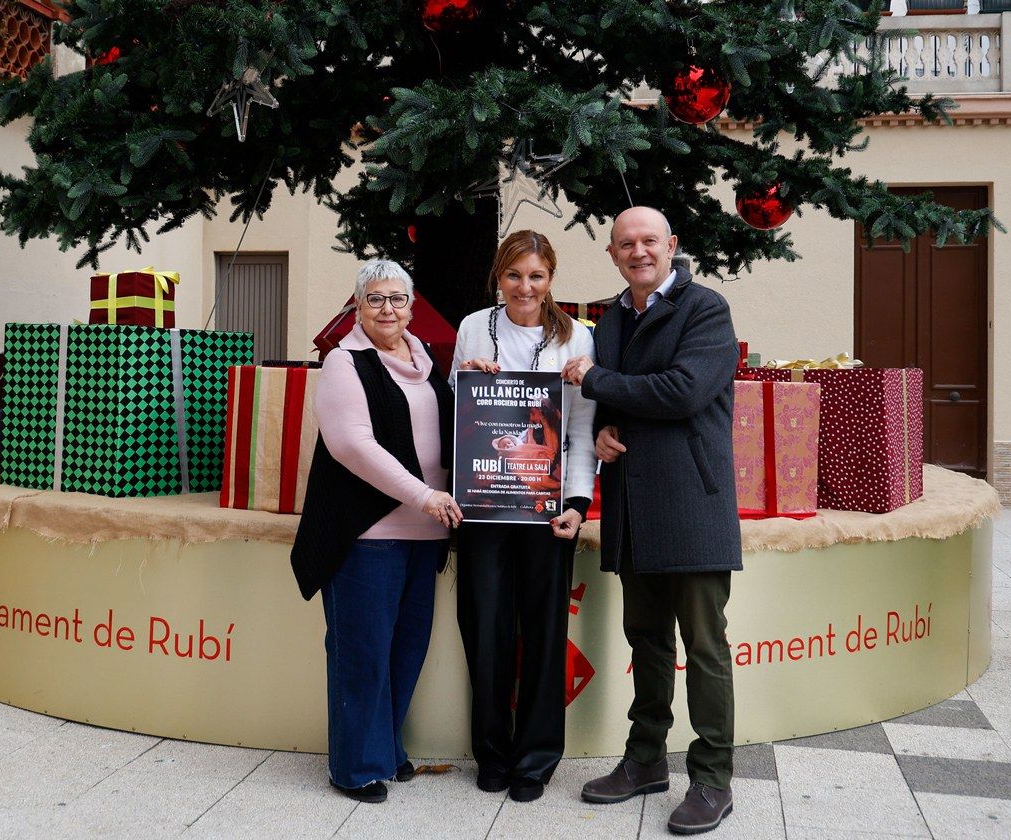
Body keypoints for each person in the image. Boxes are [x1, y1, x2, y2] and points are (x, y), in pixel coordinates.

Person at [561, 207, 741, 836]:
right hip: (633, 507)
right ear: (613, 254)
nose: (638, 252)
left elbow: (684, 390)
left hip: (692, 504)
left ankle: (713, 779)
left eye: (648, 241)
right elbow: (613, 399)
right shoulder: (611, 319)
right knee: (647, 640)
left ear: (671, 245)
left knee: (705, 647)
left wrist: (599, 382)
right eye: (625, 244)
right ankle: (644, 762)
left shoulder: (705, 309)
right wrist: (607, 423)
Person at [290, 259, 463, 804]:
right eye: (376, 299)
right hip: (367, 533)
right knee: (362, 653)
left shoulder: (426, 358)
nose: (388, 309)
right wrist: (424, 495)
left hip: (426, 534)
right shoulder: (346, 361)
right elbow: (351, 445)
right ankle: (356, 767)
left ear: (411, 306)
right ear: (358, 306)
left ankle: (387, 750)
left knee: (404, 652)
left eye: (397, 299)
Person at [450, 229, 598, 803]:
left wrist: (578, 503)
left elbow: (583, 427)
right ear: (498, 276)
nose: (525, 287)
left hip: (547, 507)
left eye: (536, 276)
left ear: (550, 278)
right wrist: (468, 380)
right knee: (484, 627)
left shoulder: (577, 336)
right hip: (485, 502)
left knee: (543, 631)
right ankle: (491, 751)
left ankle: (535, 759)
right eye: (514, 275)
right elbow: (457, 411)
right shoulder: (472, 326)